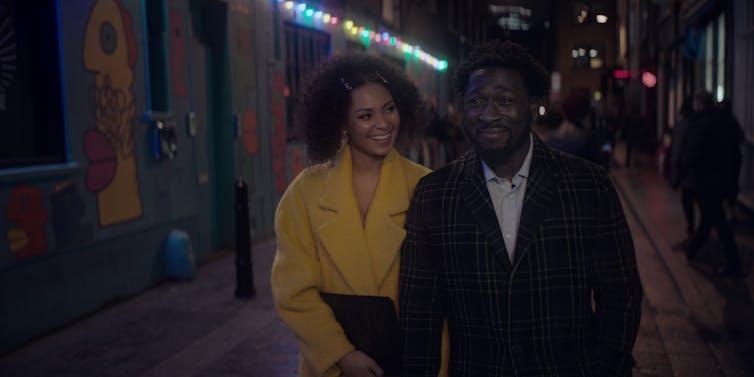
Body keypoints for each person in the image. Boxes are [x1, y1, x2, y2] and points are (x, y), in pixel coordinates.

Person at [399, 40, 643, 376]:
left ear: (532, 106)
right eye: (476, 101)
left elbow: (621, 295)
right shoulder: (434, 195)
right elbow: (420, 316)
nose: (488, 114)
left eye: (504, 100)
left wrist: (604, 367)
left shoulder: (588, 186)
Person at [271, 52, 447, 377]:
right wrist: (341, 355)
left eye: (389, 109)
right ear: (342, 123)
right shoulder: (304, 193)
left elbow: (445, 298)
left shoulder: (427, 186)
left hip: (411, 364)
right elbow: (293, 291)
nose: (383, 124)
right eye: (365, 115)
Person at [679, 91, 744, 277]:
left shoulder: (702, 124)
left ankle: (734, 264)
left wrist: (680, 175)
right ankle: (693, 250)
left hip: (707, 182)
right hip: (720, 180)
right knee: (710, 218)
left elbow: (693, 153)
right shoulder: (720, 121)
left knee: (718, 221)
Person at [669, 96, 697, 237]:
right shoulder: (697, 124)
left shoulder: (683, 127)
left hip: (688, 171)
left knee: (688, 199)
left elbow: (677, 152)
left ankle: (692, 229)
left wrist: (674, 175)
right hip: (698, 172)